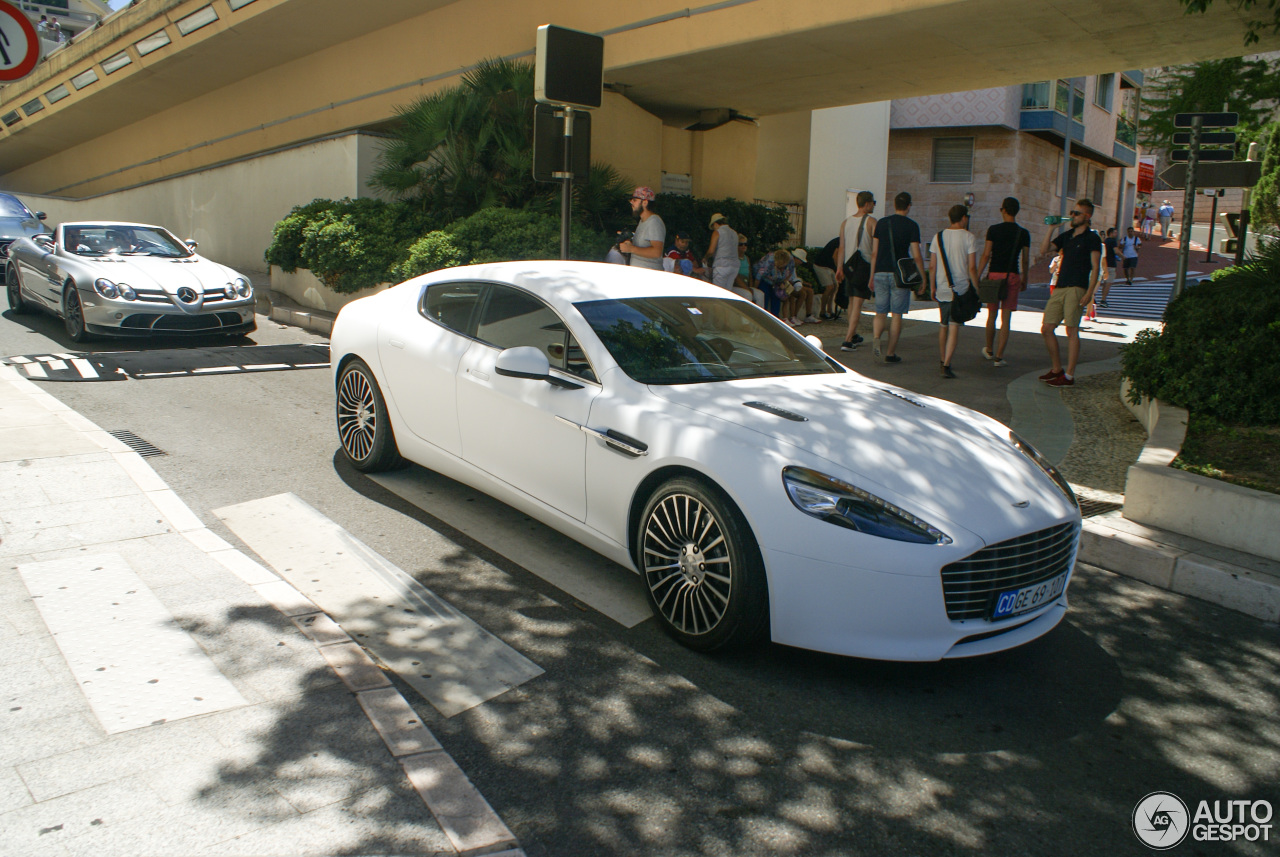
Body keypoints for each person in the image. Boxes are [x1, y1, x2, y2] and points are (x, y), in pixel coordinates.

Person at [1037, 198, 1102, 388]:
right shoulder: (1067, 235)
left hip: (1076, 287)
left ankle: (1069, 375)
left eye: (1076, 213)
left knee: (1072, 330)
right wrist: (1051, 228)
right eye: (1072, 213)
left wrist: (1090, 292)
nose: (1072, 216)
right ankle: (1057, 369)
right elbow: (1044, 250)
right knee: (1047, 328)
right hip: (1060, 286)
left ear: (1086, 216)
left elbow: (1096, 267)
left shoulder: (1092, 238)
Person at [868, 191, 924, 363]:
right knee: (897, 314)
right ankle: (890, 353)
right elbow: (916, 255)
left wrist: (871, 276)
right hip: (900, 275)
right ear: (908, 206)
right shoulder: (912, 226)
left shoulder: (882, 223)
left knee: (880, 312)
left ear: (894, 204)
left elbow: (875, 252)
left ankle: (877, 337)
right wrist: (922, 277)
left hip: (880, 272)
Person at [975, 196, 1030, 368]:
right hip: (1012, 276)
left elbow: (986, 255)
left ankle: (989, 350)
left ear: (1003, 210)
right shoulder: (1023, 233)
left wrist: (978, 274)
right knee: (1006, 318)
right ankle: (999, 357)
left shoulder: (993, 230)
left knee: (992, 315)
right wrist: (1025, 278)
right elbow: (1026, 260)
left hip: (993, 276)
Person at [929, 205, 980, 379]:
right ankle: (947, 364)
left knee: (943, 325)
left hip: (943, 287)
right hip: (961, 288)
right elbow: (972, 267)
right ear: (963, 218)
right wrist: (977, 287)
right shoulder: (969, 237)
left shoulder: (938, 237)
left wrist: (932, 286)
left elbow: (932, 265)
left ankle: (942, 359)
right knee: (954, 326)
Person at [837, 191, 876, 351]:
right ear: (867, 204)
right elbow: (874, 251)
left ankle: (852, 334)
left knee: (852, 301)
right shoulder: (872, 222)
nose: (874, 205)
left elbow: (842, 247)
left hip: (848, 265)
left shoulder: (845, 223)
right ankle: (847, 340)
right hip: (863, 265)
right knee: (858, 303)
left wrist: (839, 267)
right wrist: (873, 274)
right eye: (873, 202)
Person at [618, 187, 665, 271]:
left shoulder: (654, 222)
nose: (631, 202)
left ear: (645, 202)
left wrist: (631, 249)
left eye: (635, 200)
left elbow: (657, 252)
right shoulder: (642, 221)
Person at [754, 249, 796, 320]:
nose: (782, 269)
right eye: (780, 267)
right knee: (765, 295)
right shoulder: (767, 262)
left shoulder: (791, 261)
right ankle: (764, 318)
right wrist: (754, 289)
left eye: (783, 267)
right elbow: (758, 277)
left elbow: (790, 273)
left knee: (776, 297)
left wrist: (783, 283)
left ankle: (775, 318)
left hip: (778, 280)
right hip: (765, 278)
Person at [703, 213, 738, 289]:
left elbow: (711, 251)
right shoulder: (734, 233)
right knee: (728, 292)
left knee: (719, 292)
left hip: (722, 265)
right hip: (734, 266)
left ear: (715, 224)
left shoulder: (717, 232)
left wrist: (705, 257)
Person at [811, 236, 841, 320]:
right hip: (821, 265)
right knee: (829, 287)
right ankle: (823, 311)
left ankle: (830, 310)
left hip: (829, 266)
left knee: (835, 287)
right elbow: (835, 256)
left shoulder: (840, 240)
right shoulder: (841, 241)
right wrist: (839, 269)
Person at [788, 248, 820, 323]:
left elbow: (794, 278)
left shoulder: (793, 266)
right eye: (800, 261)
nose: (801, 263)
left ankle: (808, 315)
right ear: (796, 258)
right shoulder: (790, 265)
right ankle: (794, 316)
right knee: (802, 293)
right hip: (789, 285)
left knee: (810, 291)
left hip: (793, 283)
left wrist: (803, 283)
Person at [733, 236, 763, 305]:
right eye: (741, 244)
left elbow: (750, 274)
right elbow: (735, 277)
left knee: (760, 294)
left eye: (745, 244)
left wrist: (751, 287)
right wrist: (746, 288)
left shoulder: (747, 258)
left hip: (746, 285)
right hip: (736, 286)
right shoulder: (734, 259)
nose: (744, 246)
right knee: (747, 294)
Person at [1099, 227, 1118, 306]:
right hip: (1110, 264)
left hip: (1103, 264)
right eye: (1115, 233)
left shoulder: (1105, 242)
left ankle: (1099, 298)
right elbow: (1116, 251)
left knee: (1103, 283)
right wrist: (1123, 257)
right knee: (1108, 283)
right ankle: (1103, 299)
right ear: (1110, 233)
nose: (1116, 234)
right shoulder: (1113, 241)